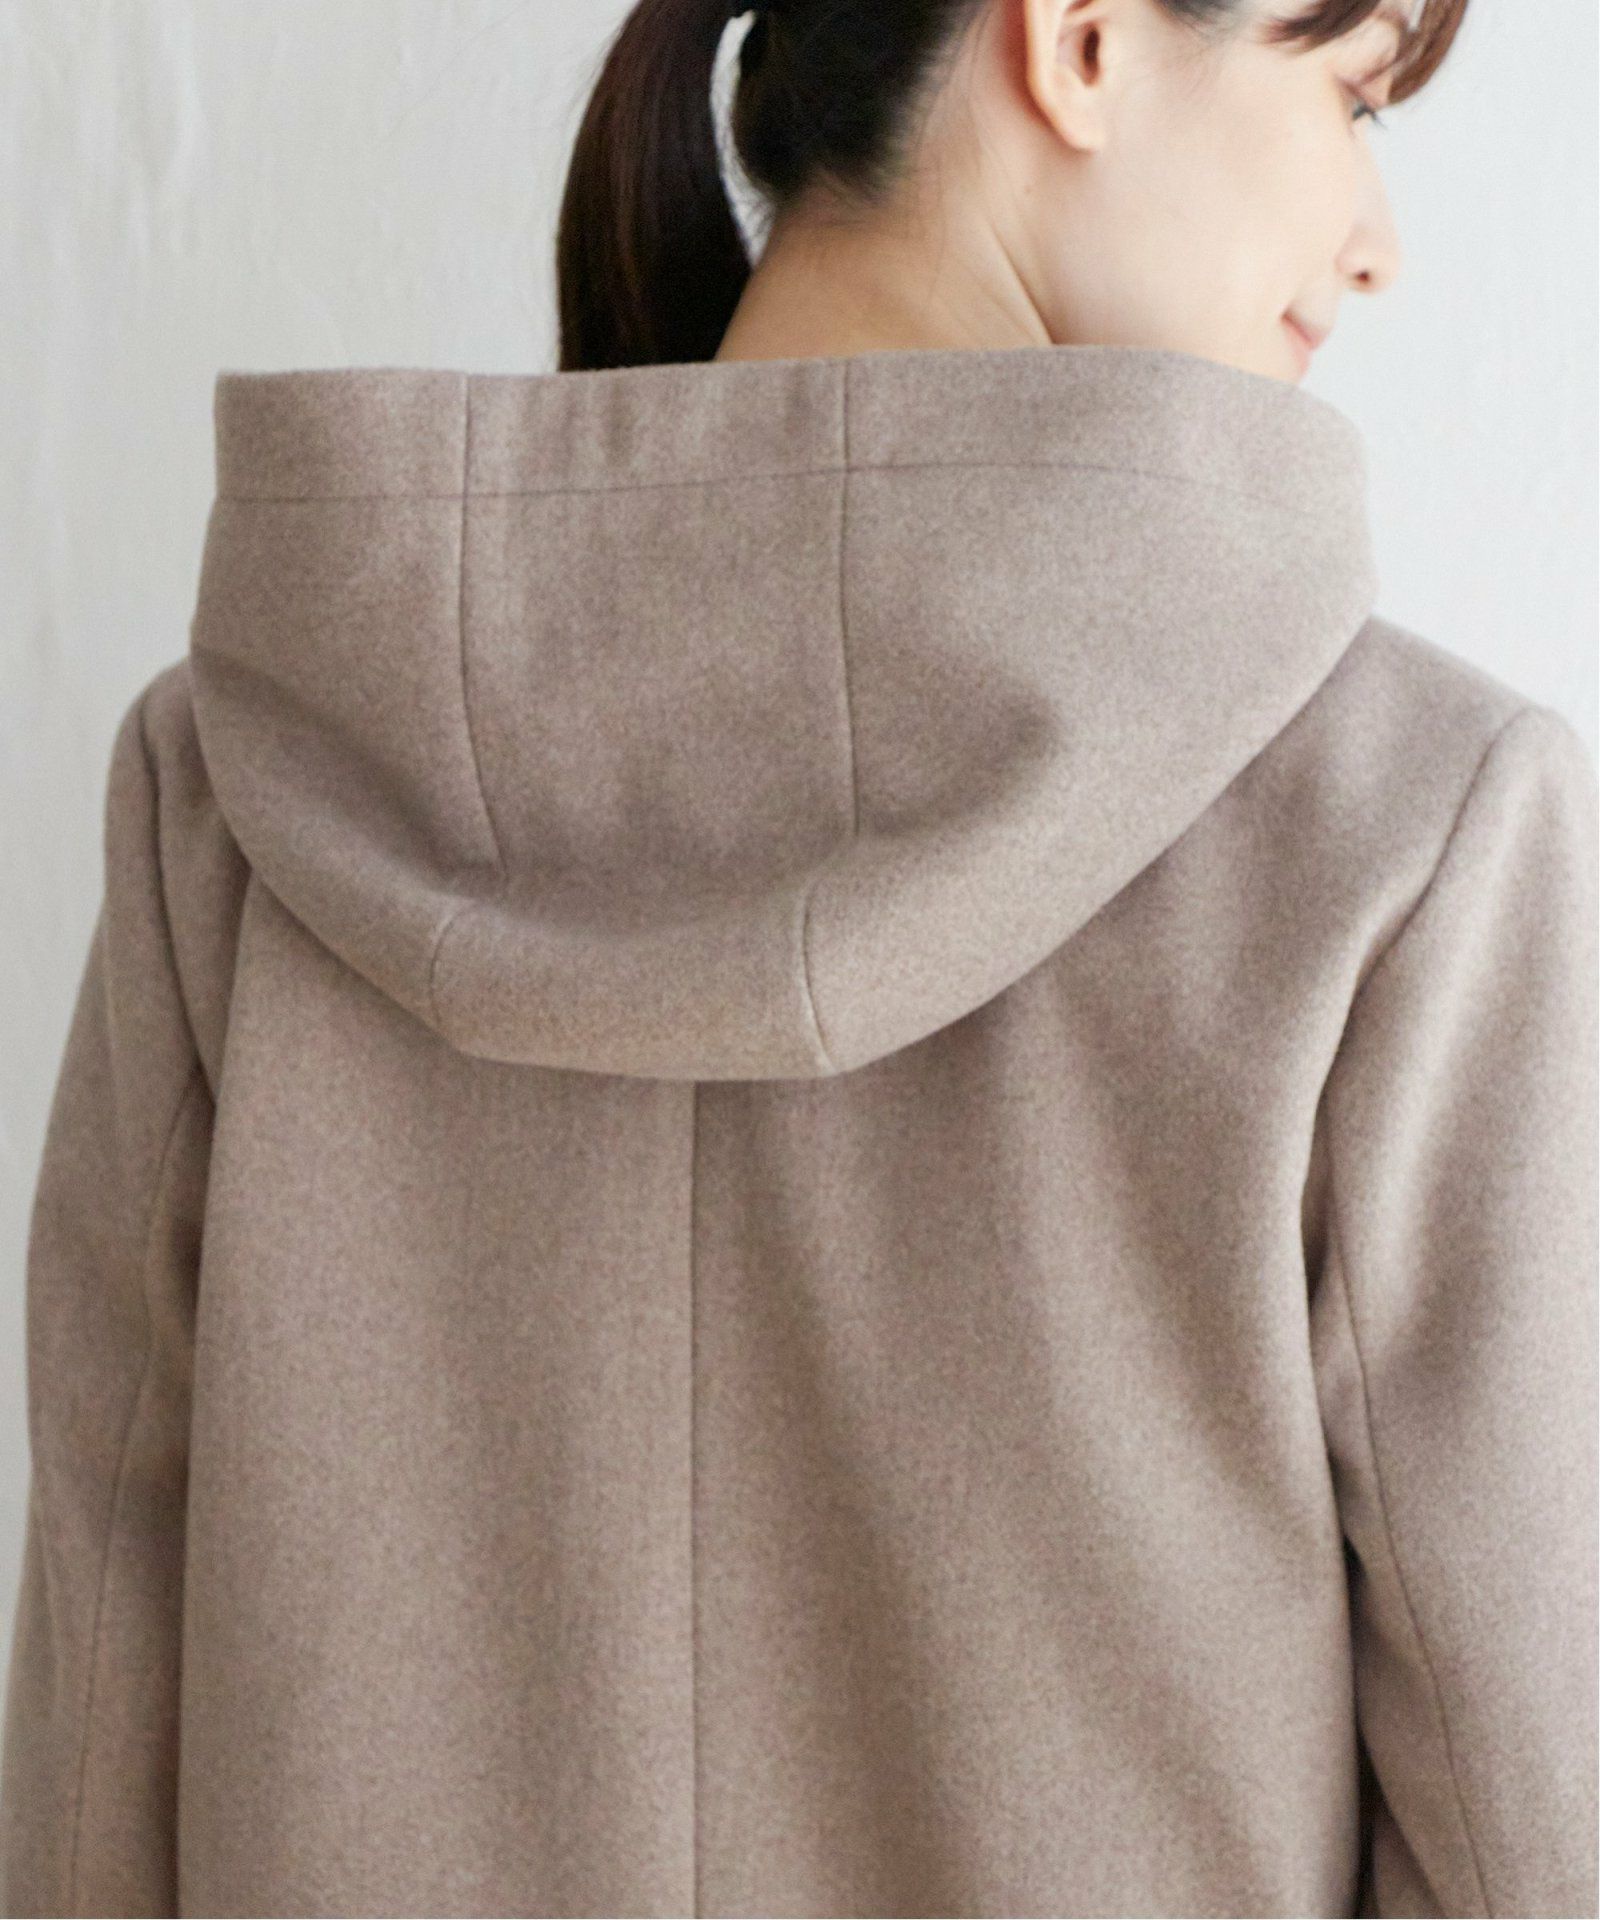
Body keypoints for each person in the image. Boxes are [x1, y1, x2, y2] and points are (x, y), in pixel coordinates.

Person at [1, 0, 1595, 1914]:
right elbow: (1537, 1824)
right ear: (1082, 42)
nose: (1378, 243)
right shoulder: (1414, 834)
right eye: (1348, 96)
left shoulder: (240, 796)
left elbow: (94, 1773)